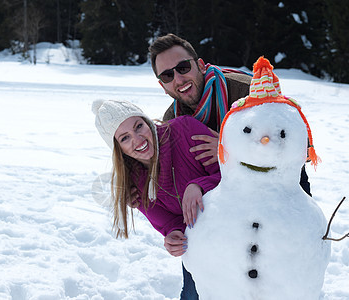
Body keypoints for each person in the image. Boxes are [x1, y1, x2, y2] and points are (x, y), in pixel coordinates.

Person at [148, 33, 312, 298]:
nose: (178, 79)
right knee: (198, 289)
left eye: (183, 67)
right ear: (162, 84)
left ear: (200, 64)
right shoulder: (172, 121)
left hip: (273, 205)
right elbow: (174, 187)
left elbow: (294, 146)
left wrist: (229, 152)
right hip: (218, 216)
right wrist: (169, 227)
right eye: (168, 75)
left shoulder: (246, 92)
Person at [92, 99, 221, 298]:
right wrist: (174, 235)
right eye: (125, 138)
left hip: (238, 230)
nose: (138, 139)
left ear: (146, 121)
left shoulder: (185, 130)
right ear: (118, 149)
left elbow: (235, 177)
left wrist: (200, 186)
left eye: (139, 126)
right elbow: (170, 221)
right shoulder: (134, 182)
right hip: (201, 245)